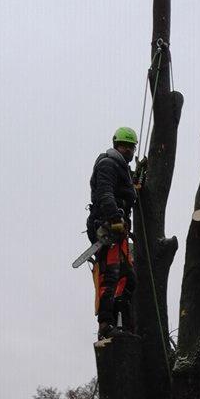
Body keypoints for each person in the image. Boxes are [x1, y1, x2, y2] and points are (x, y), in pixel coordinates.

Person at [87, 127, 138, 339]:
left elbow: (124, 193)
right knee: (111, 275)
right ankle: (105, 324)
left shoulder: (122, 169)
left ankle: (121, 322)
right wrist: (115, 218)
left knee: (129, 278)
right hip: (107, 226)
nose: (127, 150)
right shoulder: (108, 164)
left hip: (118, 229)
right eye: (124, 146)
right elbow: (105, 192)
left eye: (130, 147)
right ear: (116, 145)